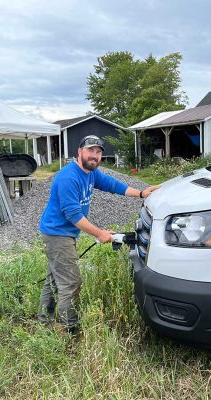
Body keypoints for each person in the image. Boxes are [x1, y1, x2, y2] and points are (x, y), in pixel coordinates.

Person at [38, 135, 160, 333]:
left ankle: (44, 321)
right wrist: (100, 233)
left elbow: (112, 185)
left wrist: (140, 193)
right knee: (70, 282)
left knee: (55, 278)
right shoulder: (69, 177)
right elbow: (73, 215)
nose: (94, 156)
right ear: (79, 151)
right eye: (90, 151)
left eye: (98, 152)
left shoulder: (90, 173)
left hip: (64, 233)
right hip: (57, 235)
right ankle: (69, 330)